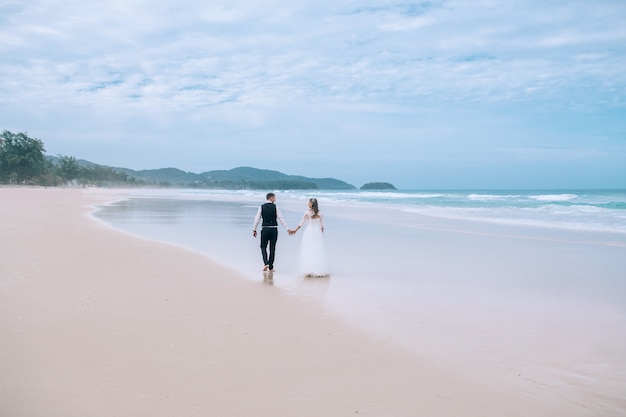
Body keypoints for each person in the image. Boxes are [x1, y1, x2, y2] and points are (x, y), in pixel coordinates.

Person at [252, 192, 292, 272]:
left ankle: (266, 263)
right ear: (271, 198)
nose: (275, 199)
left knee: (263, 246)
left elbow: (257, 219)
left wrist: (254, 229)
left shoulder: (261, 207)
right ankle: (270, 267)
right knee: (272, 248)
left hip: (265, 229)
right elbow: (281, 218)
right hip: (274, 229)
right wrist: (287, 228)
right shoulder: (275, 207)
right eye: (274, 198)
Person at [292, 198, 330, 277]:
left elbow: (301, 223)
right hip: (317, 232)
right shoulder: (320, 213)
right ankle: (317, 268)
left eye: (309, 203)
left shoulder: (307, 212)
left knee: (308, 249)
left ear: (312, 204)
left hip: (309, 232)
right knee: (317, 249)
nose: (307, 204)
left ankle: (308, 268)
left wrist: (295, 230)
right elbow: (322, 226)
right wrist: (320, 234)